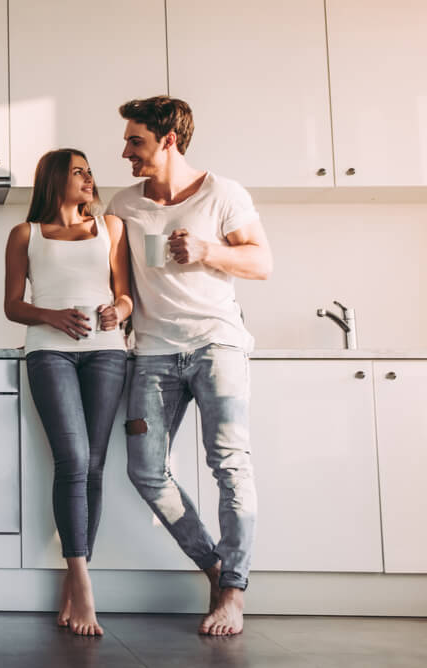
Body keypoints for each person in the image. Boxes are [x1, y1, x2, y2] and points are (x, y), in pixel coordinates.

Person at [106, 96, 273, 636]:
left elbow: (261, 262)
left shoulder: (223, 193)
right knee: (146, 469)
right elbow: (118, 281)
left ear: (168, 140)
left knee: (229, 464)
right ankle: (217, 567)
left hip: (216, 345)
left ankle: (232, 594)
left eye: (136, 140)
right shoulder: (124, 204)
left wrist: (207, 251)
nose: (126, 150)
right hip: (153, 351)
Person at [4, 148, 132, 636]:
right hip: (48, 353)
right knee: (73, 460)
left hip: (107, 352)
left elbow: (124, 293)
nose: (88, 178)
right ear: (55, 178)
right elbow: (13, 305)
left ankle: (74, 578)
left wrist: (116, 311)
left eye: (89, 171)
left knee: (94, 466)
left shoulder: (111, 228)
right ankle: (82, 583)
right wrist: (51, 316)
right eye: (78, 171)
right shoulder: (26, 235)